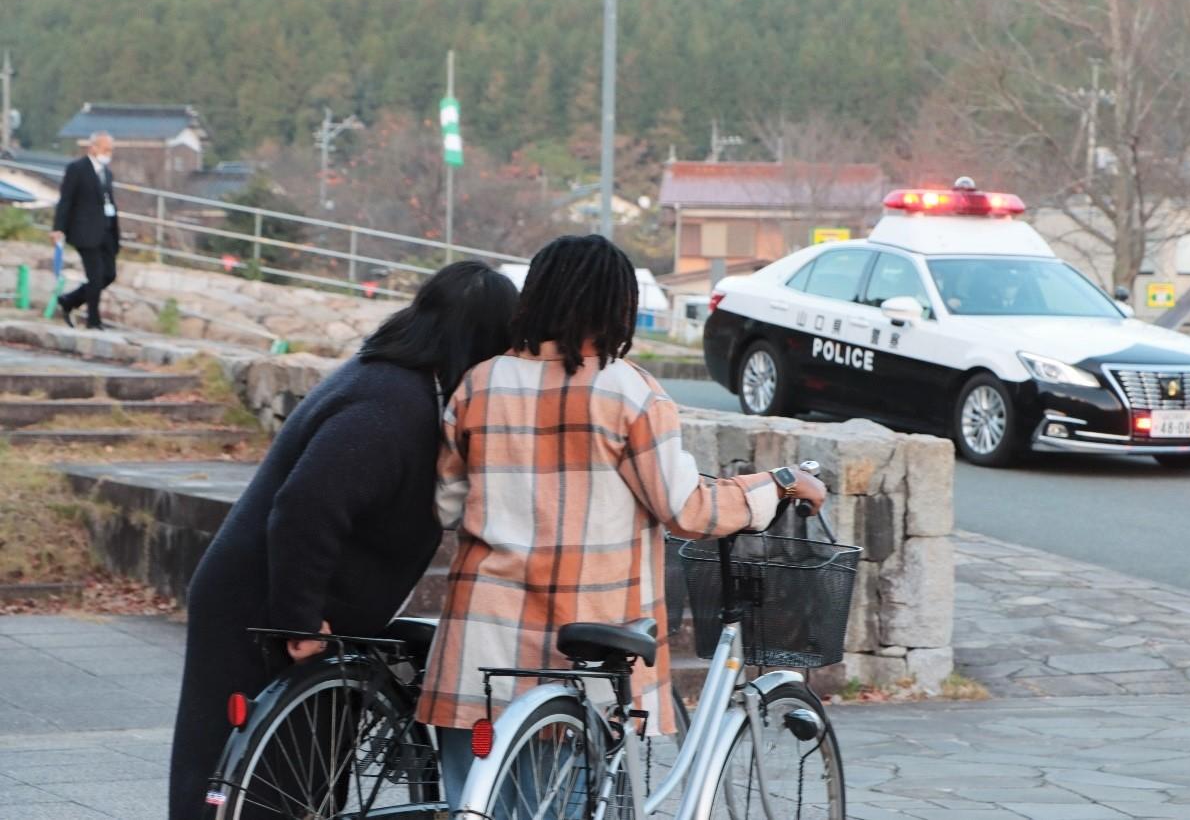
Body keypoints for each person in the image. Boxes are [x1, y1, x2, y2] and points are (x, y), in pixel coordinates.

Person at [418, 234, 826, 810]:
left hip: (479, 644)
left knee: (472, 803)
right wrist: (775, 485)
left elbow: (445, 506)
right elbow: (686, 510)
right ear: (616, 307)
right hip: (583, 649)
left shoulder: (477, 386)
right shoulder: (630, 393)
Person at [167, 261, 519, 820]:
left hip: (295, 599)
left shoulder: (394, 383)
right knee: (245, 781)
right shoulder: (389, 403)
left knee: (298, 783)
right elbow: (305, 507)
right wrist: (298, 620)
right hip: (263, 601)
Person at [51, 131, 120, 330]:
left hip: (107, 231)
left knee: (109, 274)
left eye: (110, 150)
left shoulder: (107, 173)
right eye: (105, 149)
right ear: (93, 148)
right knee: (96, 275)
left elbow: (109, 202)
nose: (108, 153)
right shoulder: (77, 169)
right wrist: (58, 228)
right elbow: (66, 200)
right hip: (84, 231)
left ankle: (70, 300)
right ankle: (93, 321)